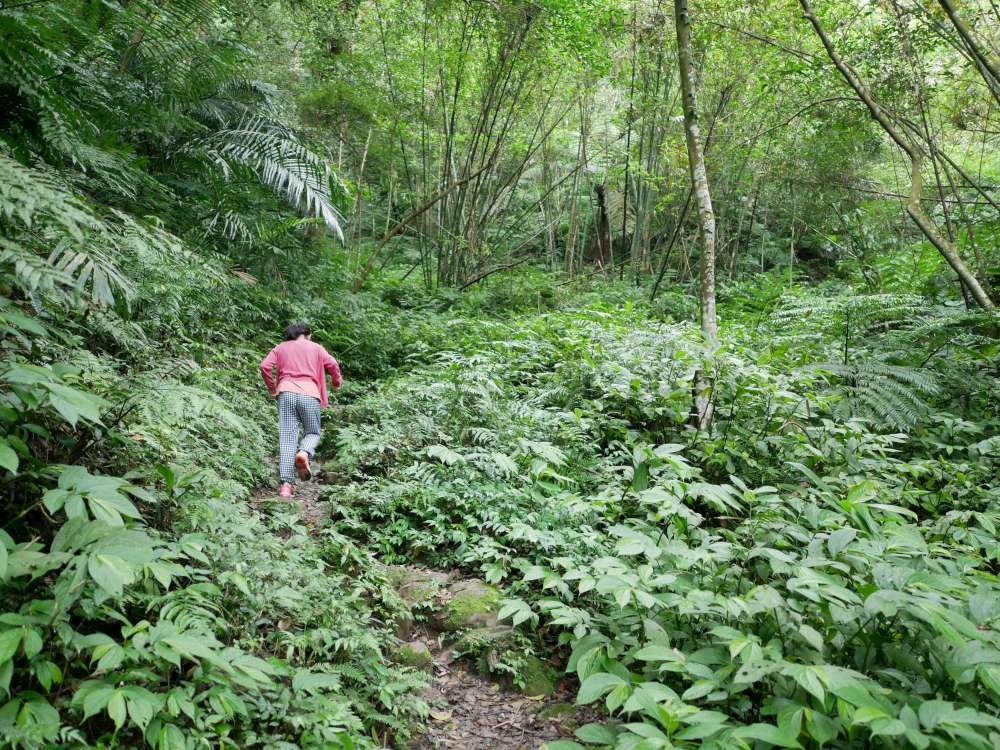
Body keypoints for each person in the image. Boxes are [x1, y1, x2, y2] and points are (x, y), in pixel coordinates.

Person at [259, 322, 342, 498]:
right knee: (312, 432)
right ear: (307, 334)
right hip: (309, 393)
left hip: (286, 392)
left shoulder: (281, 347)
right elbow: (333, 364)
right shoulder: (316, 348)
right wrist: (336, 381)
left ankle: (286, 487)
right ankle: (304, 452)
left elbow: (265, 366)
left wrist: (272, 388)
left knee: (288, 438)